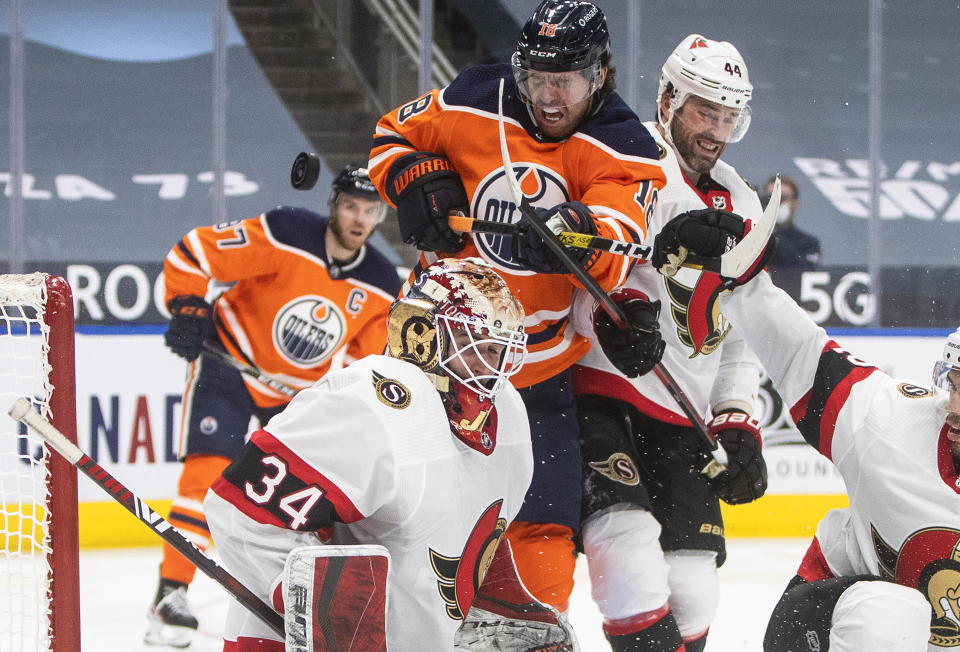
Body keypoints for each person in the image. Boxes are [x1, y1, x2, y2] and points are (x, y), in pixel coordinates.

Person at [366, 0, 667, 621]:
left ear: (601, 74)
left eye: (567, 81)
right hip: (430, 354)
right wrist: (419, 177)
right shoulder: (477, 94)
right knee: (396, 503)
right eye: (536, 79)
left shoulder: (625, 144)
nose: (549, 97)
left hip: (535, 370)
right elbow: (392, 133)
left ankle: (532, 630)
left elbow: (617, 232)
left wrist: (574, 230)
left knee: (543, 520)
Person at [631, 206, 957, 651]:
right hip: (823, 624)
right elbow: (800, 351)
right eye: (953, 386)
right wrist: (740, 280)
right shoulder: (891, 423)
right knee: (891, 619)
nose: (954, 407)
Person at [204, 257, 535, 651]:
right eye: (471, 346)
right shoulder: (377, 403)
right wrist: (320, 613)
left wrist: (507, 610)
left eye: (498, 351)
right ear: (419, 336)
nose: (489, 370)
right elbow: (242, 511)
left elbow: (471, 544)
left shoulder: (509, 414)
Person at [145, 165, 402, 648]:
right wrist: (187, 307)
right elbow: (195, 252)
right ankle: (171, 593)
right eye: (350, 205)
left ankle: (301, 594)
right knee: (207, 473)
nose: (358, 218)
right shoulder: (286, 233)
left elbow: (363, 366)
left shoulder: (383, 282)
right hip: (229, 365)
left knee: (308, 496)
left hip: (296, 397)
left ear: (381, 215)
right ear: (333, 204)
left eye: (370, 210)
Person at [569, 34, 768, 651]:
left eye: (729, 116)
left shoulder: (742, 202)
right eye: (705, 111)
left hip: (682, 414)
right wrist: (609, 316)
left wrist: (736, 412)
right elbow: (572, 279)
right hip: (601, 389)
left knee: (693, 587)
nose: (717, 130)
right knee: (625, 546)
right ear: (668, 101)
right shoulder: (622, 164)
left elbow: (744, 323)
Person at [763, 174, 821, 269]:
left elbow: (804, 272)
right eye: (770, 197)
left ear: (795, 203)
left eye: (782, 198)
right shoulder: (749, 233)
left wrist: (773, 233)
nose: (775, 203)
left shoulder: (808, 242)